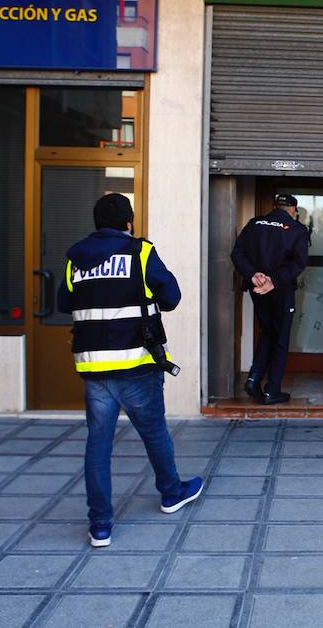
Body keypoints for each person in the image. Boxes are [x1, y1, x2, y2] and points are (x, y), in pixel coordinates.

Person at [57, 193, 203, 548]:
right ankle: (171, 493)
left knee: (98, 445)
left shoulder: (75, 259)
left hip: (94, 369)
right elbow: (171, 297)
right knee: (154, 433)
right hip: (136, 363)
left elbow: (64, 302)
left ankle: (100, 526)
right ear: (128, 223)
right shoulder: (140, 253)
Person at [231, 192, 309, 404]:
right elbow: (299, 263)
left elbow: (237, 254)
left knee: (268, 332)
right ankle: (271, 390)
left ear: (276, 207)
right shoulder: (297, 230)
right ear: (292, 209)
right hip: (280, 290)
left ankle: (254, 378)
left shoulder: (254, 224)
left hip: (258, 290)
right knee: (281, 338)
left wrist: (253, 274)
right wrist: (273, 281)